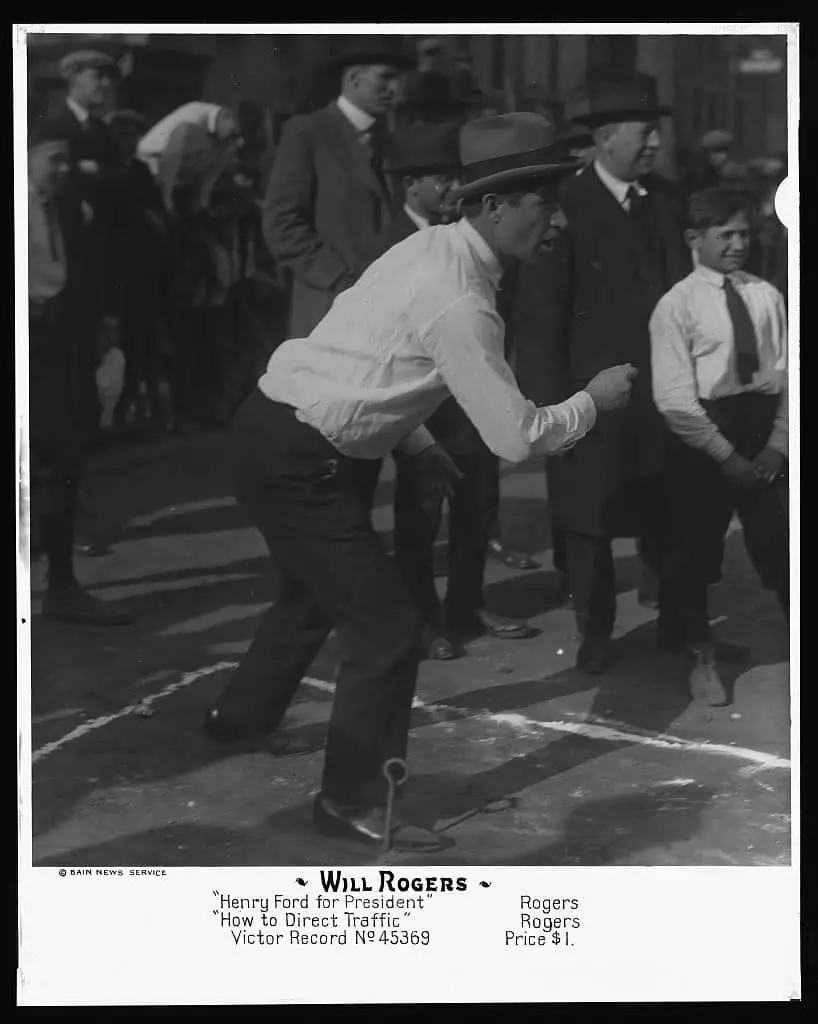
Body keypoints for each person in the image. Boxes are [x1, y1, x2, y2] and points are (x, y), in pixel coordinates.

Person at [205, 113, 636, 850]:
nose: (553, 217)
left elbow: (366, 359)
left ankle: (238, 720)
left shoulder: (430, 246)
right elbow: (516, 435)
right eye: (542, 200)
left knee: (314, 593)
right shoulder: (462, 298)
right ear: (496, 206)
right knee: (388, 627)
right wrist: (593, 401)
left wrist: (419, 441)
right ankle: (350, 803)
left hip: (294, 432)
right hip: (296, 455)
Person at [513, 74, 692, 674]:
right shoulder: (562, 206)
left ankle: (680, 630)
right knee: (589, 520)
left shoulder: (666, 199)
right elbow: (540, 317)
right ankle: (595, 636)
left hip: (664, 390)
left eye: (656, 134)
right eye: (645, 134)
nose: (654, 145)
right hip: (592, 393)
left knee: (671, 513)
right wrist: (551, 409)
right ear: (609, 137)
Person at [378, 122, 536, 661]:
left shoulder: (476, 236)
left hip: (475, 393)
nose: (451, 188)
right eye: (439, 178)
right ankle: (422, 617)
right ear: (409, 184)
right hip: (422, 405)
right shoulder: (389, 239)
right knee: (421, 516)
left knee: (478, 506)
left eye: (456, 176)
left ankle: (468, 605)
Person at [650, 188, 788, 704]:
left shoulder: (767, 296)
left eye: (744, 234)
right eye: (724, 235)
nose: (737, 245)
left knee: (779, 542)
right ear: (694, 239)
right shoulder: (676, 305)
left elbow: (789, 375)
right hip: (705, 438)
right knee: (693, 552)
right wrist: (724, 455)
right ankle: (699, 655)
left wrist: (777, 446)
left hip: (763, 430)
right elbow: (674, 398)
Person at [27, 119, 132, 625]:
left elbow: (89, 273)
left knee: (64, 458)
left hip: (59, 348)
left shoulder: (71, 207)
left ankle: (62, 587)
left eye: (68, 159)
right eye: (54, 158)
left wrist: (99, 333)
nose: (64, 170)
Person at [263, 36, 415, 338]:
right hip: (327, 310)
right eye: (386, 78)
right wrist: (338, 277)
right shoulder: (307, 133)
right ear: (353, 77)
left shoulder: (394, 142)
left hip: (387, 316)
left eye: (398, 80)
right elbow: (281, 224)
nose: (395, 90)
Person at [106, 109, 173, 437]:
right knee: (119, 345)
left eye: (132, 136)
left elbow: (156, 214)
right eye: (123, 135)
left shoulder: (140, 171)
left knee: (144, 345)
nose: (129, 142)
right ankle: (119, 414)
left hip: (143, 270)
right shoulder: (107, 171)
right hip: (113, 268)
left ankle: (145, 414)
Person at [137, 102, 242, 215]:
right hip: (154, 161)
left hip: (183, 170)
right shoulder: (191, 126)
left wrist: (202, 201)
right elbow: (170, 160)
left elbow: (213, 170)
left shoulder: (229, 138)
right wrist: (167, 202)